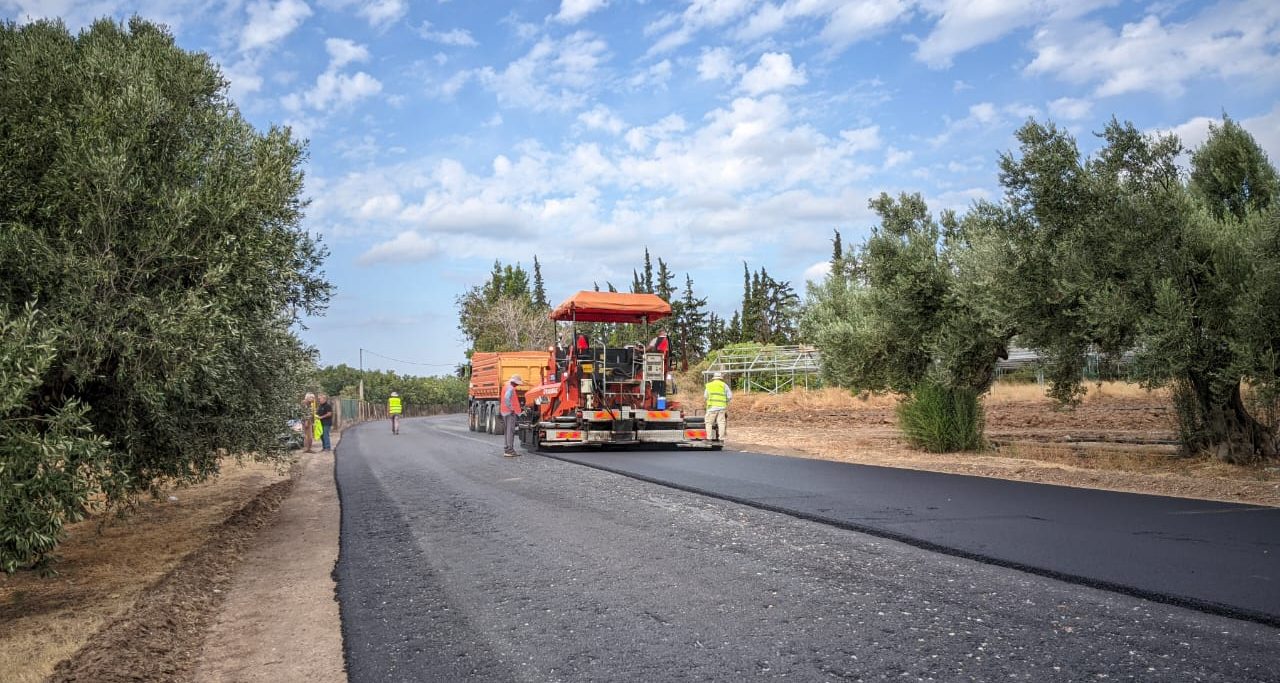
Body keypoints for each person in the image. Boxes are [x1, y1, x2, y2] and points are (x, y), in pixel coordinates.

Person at [704, 372, 732, 442]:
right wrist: (725, 402)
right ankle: (721, 439)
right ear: (720, 378)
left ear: (714, 378)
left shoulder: (709, 385)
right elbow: (730, 396)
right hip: (722, 407)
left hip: (712, 408)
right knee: (721, 423)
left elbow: (705, 396)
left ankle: (709, 438)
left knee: (709, 423)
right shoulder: (724, 385)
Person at [500, 374, 523, 457]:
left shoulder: (506, 386)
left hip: (504, 412)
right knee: (510, 431)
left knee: (507, 431)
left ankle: (506, 449)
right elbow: (507, 398)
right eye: (517, 383)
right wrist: (511, 408)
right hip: (510, 412)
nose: (517, 385)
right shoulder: (510, 388)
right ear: (514, 382)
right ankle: (510, 450)